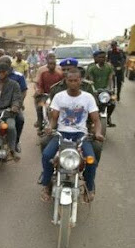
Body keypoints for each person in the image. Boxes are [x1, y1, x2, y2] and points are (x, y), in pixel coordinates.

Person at [40, 68, 104, 203]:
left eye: (76, 80)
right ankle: (46, 184)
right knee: (47, 155)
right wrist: (49, 128)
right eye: (70, 80)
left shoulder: (88, 97)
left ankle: (89, 186)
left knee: (91, 159)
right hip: (61, 133)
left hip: (81, 135)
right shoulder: (59, 96)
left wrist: (97, 133)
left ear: (80, 81)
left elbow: (96, 120)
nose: (73, 83)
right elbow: (53, 119)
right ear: (66, 81)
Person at [0, 56, 27, 153]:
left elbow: (23, 91)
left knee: (20, 120)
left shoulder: (18, 76)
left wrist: (18, 104)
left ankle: (15, 142)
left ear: (10, 65)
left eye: (5, 64)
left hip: (14, 106)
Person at [87, 50, 116, 127]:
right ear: (97, 58)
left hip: (105, 91)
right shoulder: (92, 68)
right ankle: (89, 120)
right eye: (100, 57)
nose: (102, 59)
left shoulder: (109, 67)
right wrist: (93, 90)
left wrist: (111, 89)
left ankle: (108, 117)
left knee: (112, 104)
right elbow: (91, 81)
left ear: (106, 58)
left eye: (103, 57)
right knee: (92, 105)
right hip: (95, 91)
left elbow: (110, 79)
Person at [35, 57, 64, 132]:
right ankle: (40, 124)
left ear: (55, 65)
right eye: (50, 64)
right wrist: (39, 91)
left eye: (53, 64)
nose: (51, 65)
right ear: (47, 65)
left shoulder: (59, 75)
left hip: (56, 96)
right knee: (40, 107)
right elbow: (40, 85)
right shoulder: (43, 74)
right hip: (45, 96)